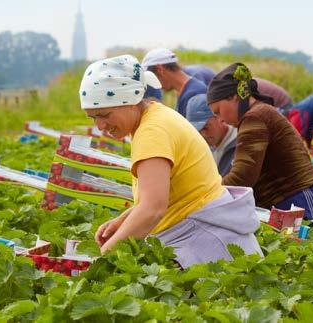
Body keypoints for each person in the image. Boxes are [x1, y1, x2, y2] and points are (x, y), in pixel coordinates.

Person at [80, 54, 262, 268]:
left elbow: (153, 209)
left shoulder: (152, 132)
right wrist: (123, 221)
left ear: (129, 101)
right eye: (93, 118)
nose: (100, 125)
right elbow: (167, 193)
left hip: (211, 247)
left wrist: (101, 259)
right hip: (211, 237)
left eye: (104, 114)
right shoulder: (155, 117)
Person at [207, 62, 313, 226]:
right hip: (300, 203)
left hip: (307, 204)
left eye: (218, 111)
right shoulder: (258, 114)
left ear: (234, 98)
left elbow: (242, 177)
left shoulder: (255, 118)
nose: (220, 119)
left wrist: (206, 193)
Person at [141, 48, 206, 117]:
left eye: (153, 78)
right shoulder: (185, 91)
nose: (155, 85)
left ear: (159, 69)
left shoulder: (195, 95)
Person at [186, 94, 237, 176]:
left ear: (219, 117)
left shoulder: (240, 143)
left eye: (206, 128)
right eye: (197, 131)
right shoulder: (203, 147)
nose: (202, 135)